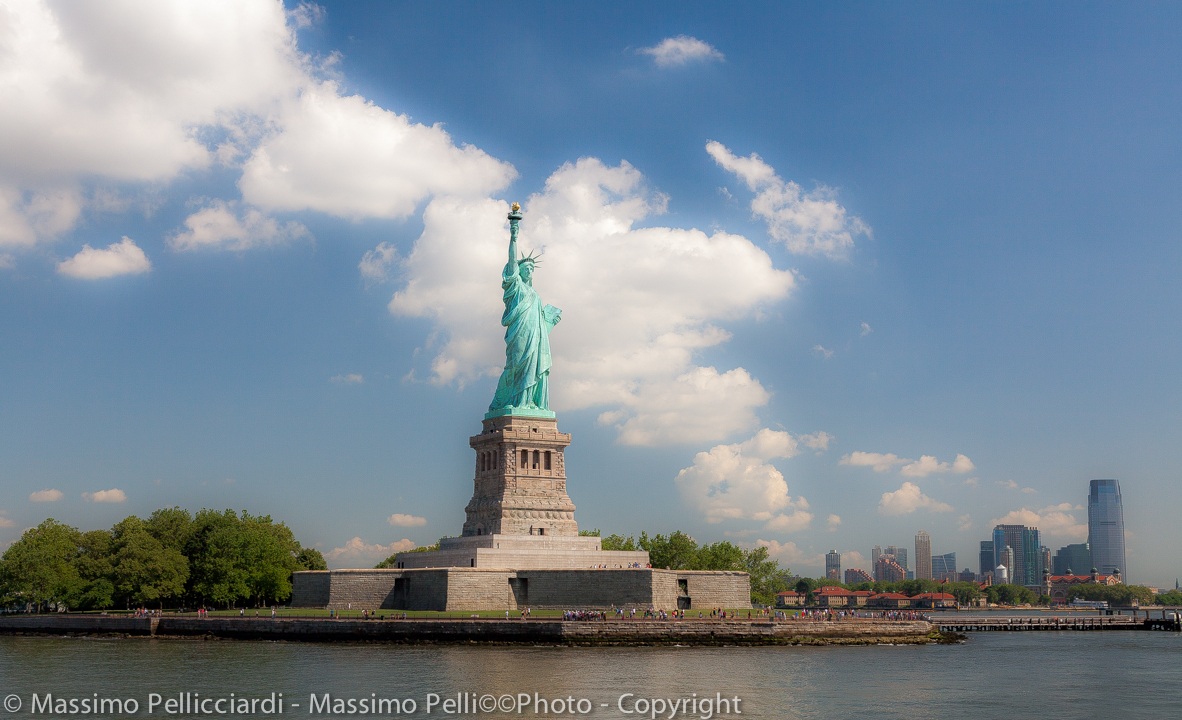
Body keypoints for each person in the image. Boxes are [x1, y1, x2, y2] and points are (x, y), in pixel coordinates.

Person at [488, 204, 561, 416]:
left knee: (533, 367)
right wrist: (514, 235)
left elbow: (539, 326)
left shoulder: (536, 296)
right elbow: (511, 262)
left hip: (535, 339)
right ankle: (515, 401)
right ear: (518, 271)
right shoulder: (515, 287)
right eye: (525, 267)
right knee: (517, 365)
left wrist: (550, 320)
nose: (529, 270)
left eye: (531, 268)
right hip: (519, 334)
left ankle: (529, 403)